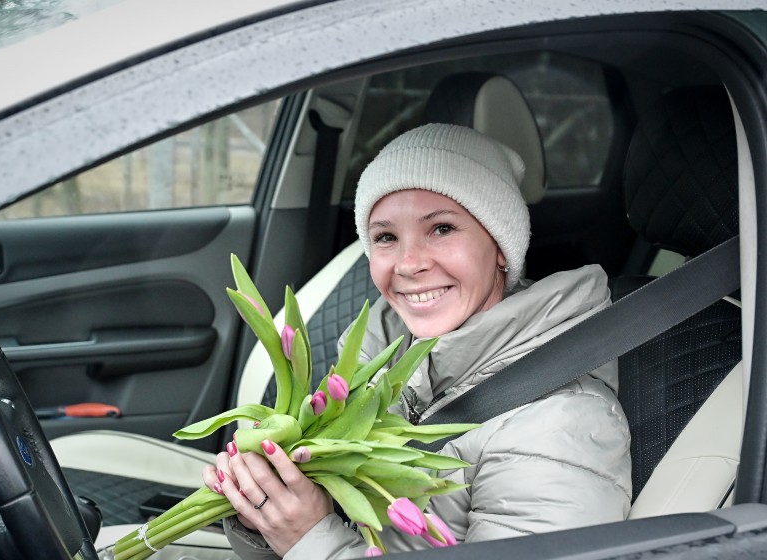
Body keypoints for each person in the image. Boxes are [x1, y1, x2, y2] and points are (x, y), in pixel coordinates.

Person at [202, 123, 632, 559]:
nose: (408, 264)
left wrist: (311, 539)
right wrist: (261, 507)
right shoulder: (372, 362)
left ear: (501, 247)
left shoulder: (558, 424)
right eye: (386, 237)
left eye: (441, 229)